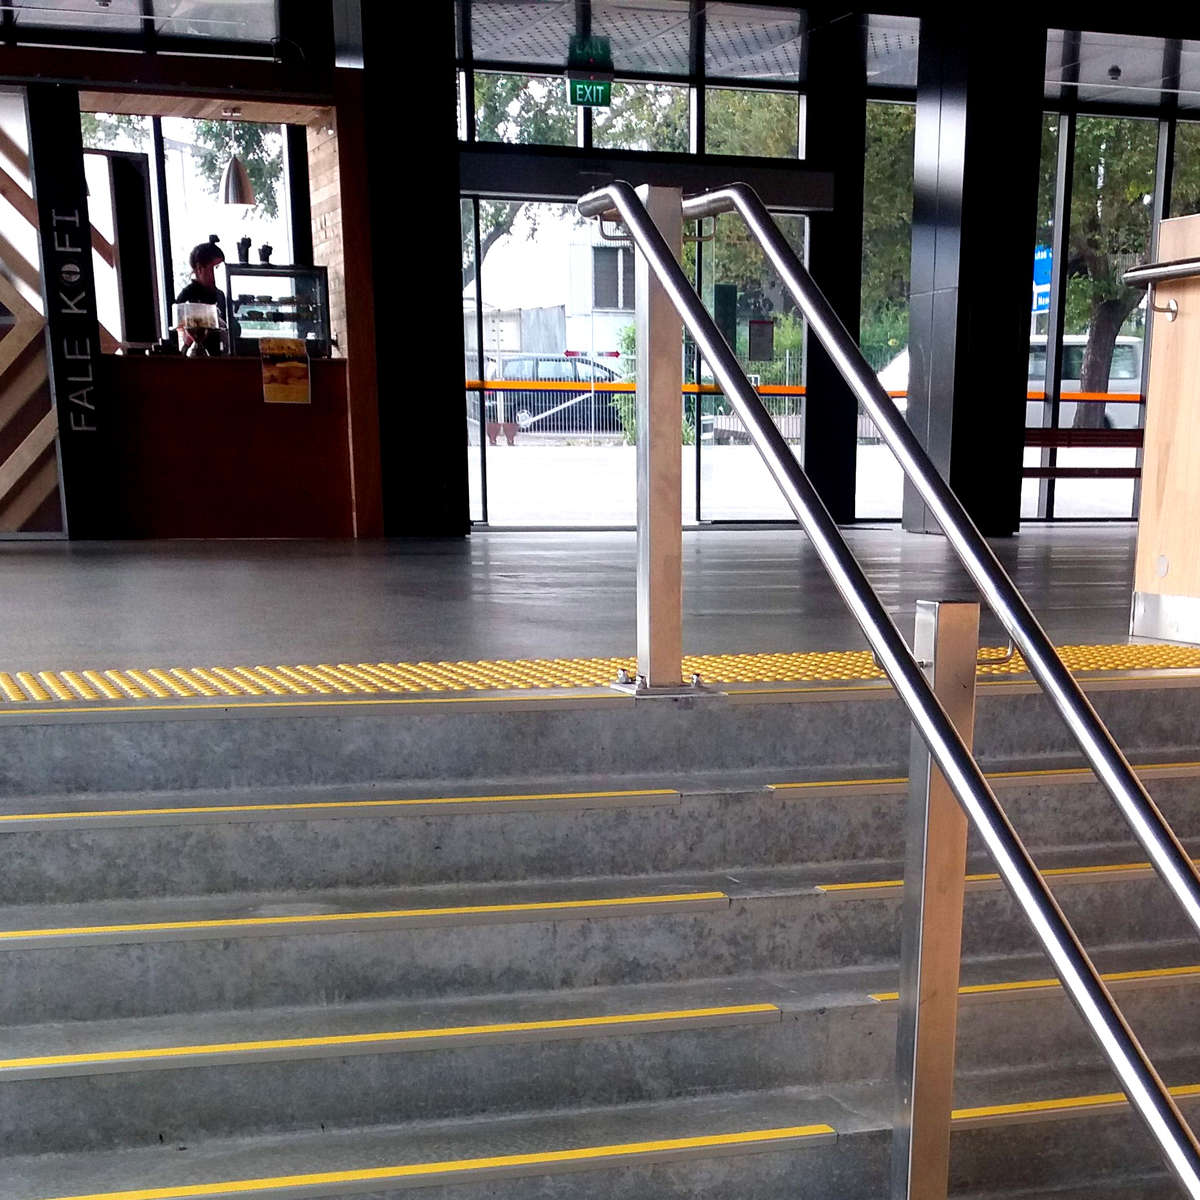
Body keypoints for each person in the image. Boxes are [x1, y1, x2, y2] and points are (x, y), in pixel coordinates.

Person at [176, 239, 230, 354]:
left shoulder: (221, 294)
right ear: (199, 269)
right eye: (214, 269)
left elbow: (230, 326)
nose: (218, 275)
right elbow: (179, 327)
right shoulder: (188, 294)